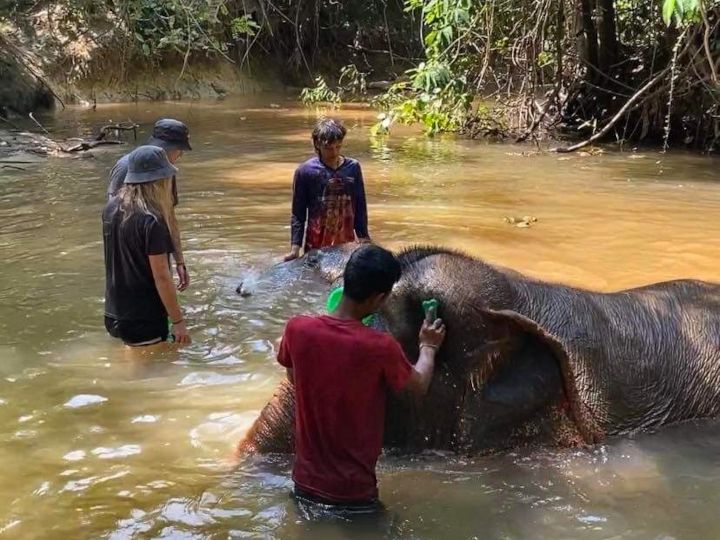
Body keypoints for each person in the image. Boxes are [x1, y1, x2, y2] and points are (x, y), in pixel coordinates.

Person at [277, 244, 446, 510]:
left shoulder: (297, 329)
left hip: (303, 487)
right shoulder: (380, 347)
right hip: (354, 495)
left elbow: (294, 379)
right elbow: (420, 384)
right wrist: (428, 347)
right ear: (379, 299)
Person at [102, 145, 191, 347]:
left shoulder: (111, 208)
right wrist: (178, 322)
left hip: (114, 311)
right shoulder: (152, 220)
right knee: (159, 372)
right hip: (144, 317)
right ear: (159, 180)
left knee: (131, 369)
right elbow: (161, 276)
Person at [107, 118, 192, 291]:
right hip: (131, 256)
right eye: (180, 150)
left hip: (156, 246)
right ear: (166, 147)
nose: (181, 155)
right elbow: (112, 217)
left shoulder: (167, 171)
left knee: (161, 295)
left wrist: (179, 260)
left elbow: (169, 216)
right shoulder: (125, 167)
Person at [284, 118, 371, 262]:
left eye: (338, 147)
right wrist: (295, 248)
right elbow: (298, 213)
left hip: (346, 243)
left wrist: (364, 238)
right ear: (317, 144)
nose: (334, 152)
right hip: (316, 245)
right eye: (329, 148)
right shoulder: (305, 171)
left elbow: (360, 205)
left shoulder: (353, 168)